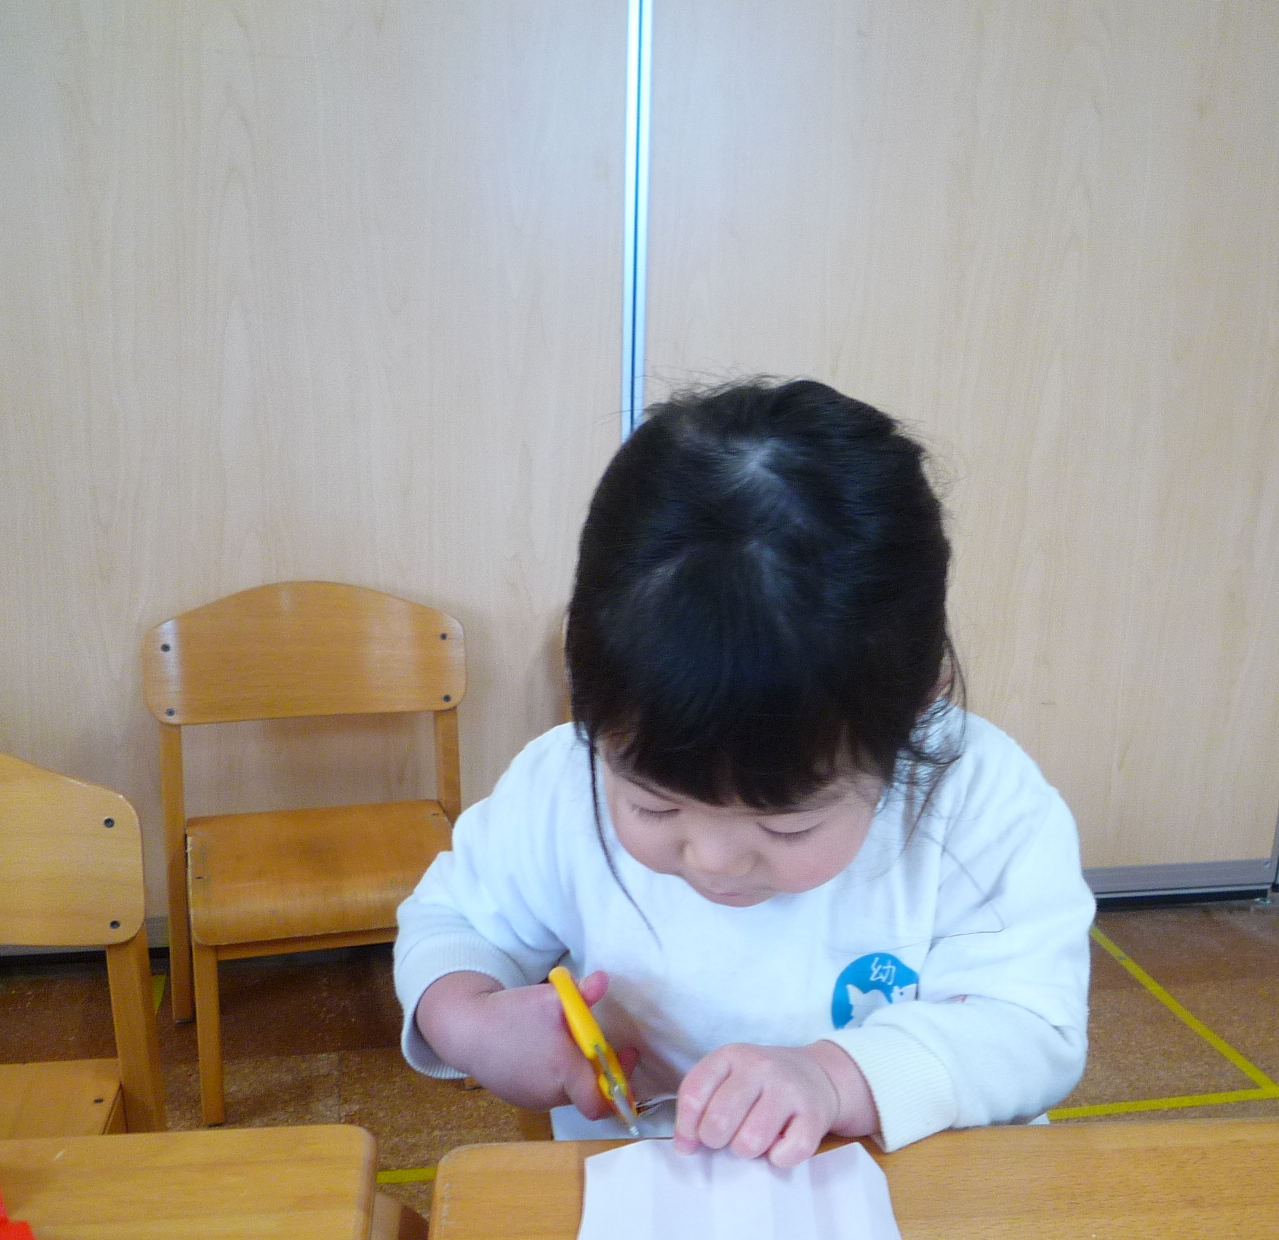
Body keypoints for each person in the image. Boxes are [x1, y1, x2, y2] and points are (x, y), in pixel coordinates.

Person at [394, 379, 1093, 1166]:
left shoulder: (979, 804)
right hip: (654, 1192)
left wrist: (838, 1077)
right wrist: (469, 1017)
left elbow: (1032, 1029)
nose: (715, 860)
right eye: (655, 808)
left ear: (915, 704)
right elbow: (453, 921)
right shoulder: (561, 786)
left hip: (913, 1196)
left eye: (786, 825)